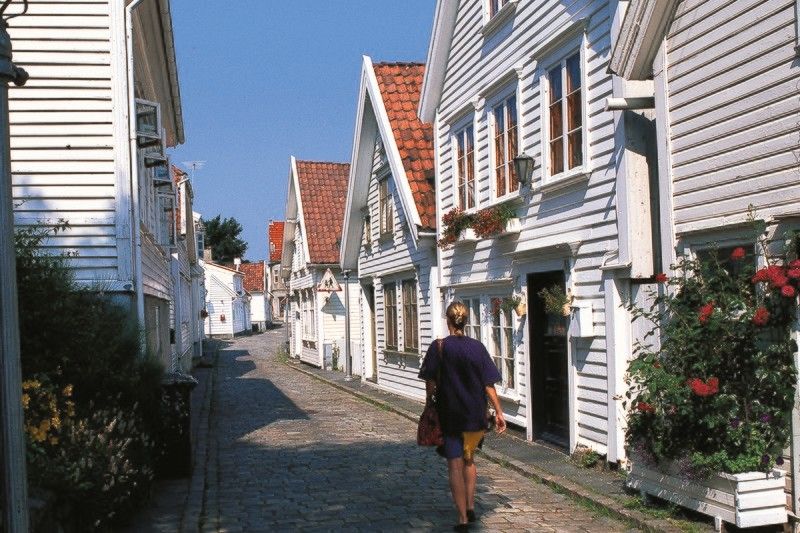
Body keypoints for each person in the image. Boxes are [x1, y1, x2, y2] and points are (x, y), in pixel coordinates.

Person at [419, 301, 507, 531]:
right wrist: (498, 411)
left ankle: (462, 519)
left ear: (448, 321)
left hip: (450, 415)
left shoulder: (439, 347)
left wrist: (430, 402)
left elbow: (430, 381)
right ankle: (470, 506)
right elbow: (488, 384)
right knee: (470, 460)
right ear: (465, 322)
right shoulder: (477, 348)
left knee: (455, 465)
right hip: (474, 414)